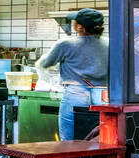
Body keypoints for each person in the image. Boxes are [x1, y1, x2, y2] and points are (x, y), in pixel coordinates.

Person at [37, 8, 109, 141]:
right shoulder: (110, 44)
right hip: (103, 96)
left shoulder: (66, 44)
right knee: (101, 139)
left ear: (79, 27)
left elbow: (45, 63)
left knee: (70, 140)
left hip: (76, 94)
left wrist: (45, 59)